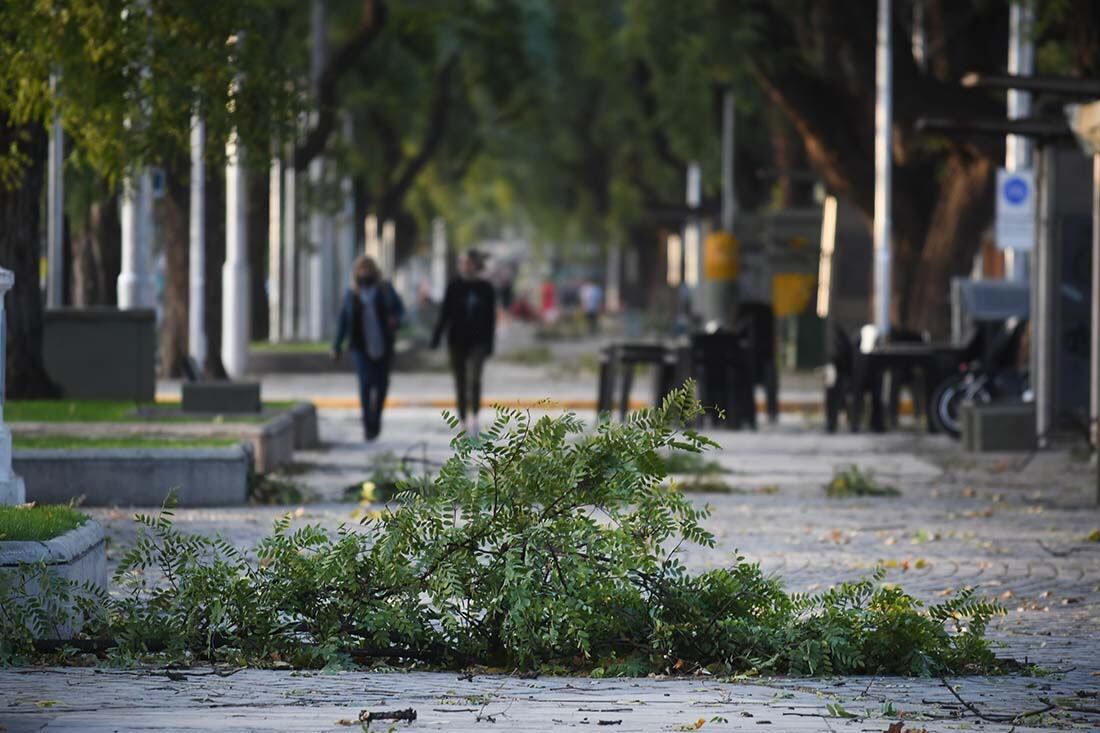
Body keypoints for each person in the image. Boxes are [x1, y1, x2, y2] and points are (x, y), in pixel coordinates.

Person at [332, 256, 405, 441]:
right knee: (365, 384)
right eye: (361, 270)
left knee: (381, 385)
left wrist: (395, 320)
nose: (364, 273)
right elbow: (343, 321)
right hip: (360, 346)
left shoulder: (384, 289)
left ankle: (376, 418)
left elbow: (399, 310)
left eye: (367, 269)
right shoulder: (352, 293)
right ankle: (367, 425)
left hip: (383, 344)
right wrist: (337, 346)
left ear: (374, 270)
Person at [431, 250, 496, 434]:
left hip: (479, 341)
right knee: (459, 380)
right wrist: (436, 337)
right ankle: (462, 418)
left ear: (475, 264)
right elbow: (445, 314)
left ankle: (475, 415)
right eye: (462, 263)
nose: (465, 266)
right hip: (456, 340)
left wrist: (491, 344)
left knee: (475, 378)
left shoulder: (486, 288)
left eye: (469, 262)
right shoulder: (454, 286)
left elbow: (491, 319)